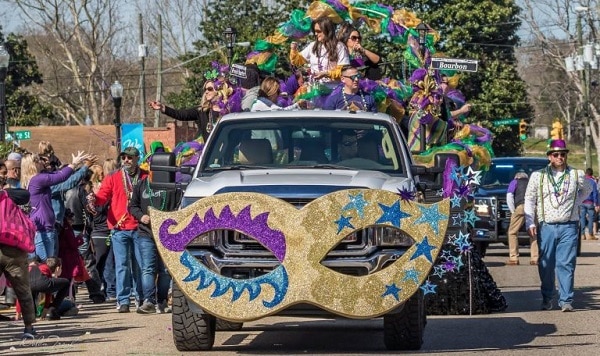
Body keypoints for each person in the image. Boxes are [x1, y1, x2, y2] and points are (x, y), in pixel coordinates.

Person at [524, 139, 594, 312]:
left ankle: (566, 300)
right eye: (556, 154)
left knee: (566, 263)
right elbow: (529, 198)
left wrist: (576, 202)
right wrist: (530, 221)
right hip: (547, 225)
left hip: (569, 225)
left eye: (563, 154)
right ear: (549, 157)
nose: (560, 157)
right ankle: (547, 297)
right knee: (546, 265)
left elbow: (588, 189)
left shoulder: (576, 174)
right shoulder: (538, 176)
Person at [87, 147, 148, 313]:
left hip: (140, 227)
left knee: (140, 265)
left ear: (137, 159)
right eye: (124, 158)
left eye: (129, 157)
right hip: (119, 227)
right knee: (121, 265)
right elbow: (102, 198)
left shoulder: (145, 176)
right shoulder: (113, 177)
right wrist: (94, 198)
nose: (126, 160)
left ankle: (140, 297)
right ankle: (123, 300)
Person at [20, 151, 89, 262]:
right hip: (42, 230)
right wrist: (74, 163)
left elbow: (57, 175)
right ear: (32, 164)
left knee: (48, 267)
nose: (41, 162)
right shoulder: (37, 180)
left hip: (46, 229)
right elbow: (61, 177)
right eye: (37, 160)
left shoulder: (35, 179)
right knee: (45, 268)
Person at [128, 173, 181, 314]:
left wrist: (172, 218)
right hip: (146, 233)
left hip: (167, 233)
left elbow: (179, 206)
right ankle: (148, 301)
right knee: (148, 268)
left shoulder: (173, 186)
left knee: (165, 270)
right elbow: (133, 206)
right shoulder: (141, 184)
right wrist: (141, 216)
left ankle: (162, 300)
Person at [0, 186, 37, 336]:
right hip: (14, 247)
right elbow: (26, 195)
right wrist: (5, 192)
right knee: (23, 290)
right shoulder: (7, 196)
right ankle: (29, 327)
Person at [148, 79, 221, 142]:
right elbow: (181, 114)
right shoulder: (201, 111)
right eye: (205, 89)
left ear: (219, 89)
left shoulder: (228, 111)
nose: (206, 92)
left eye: (210, 89)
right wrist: (162, 107)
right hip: (211, 154)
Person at [290, 16, 350, 85]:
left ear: (327, 31)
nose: (315, 34)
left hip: (334, 89)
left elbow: (344, 71)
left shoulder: (339, 47)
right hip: (316, 89)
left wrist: (326, 74)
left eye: (318, 31)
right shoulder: (313, 46)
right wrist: (293, 49)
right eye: (315, 31)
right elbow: (297, 61)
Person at [506, 170, 538, 265]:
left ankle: (514, 258)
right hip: (533, 208)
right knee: (533, 233)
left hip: (520, 207)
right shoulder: (531, 182)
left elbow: (509, 196)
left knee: (512, 232)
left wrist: (513, 211)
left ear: (517, 177)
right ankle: (535, 258)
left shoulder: (514, 182)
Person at [579, 168, 599, 241]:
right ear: (592, 174)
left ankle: (582, 234)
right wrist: (596, 204)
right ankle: (590, 234)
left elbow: (579, 191)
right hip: (590, 202)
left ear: (586, 173)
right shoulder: (593, 182)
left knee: (582, 219)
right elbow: (595, 194)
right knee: (591, 219)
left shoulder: (582, 181)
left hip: (582, 202)